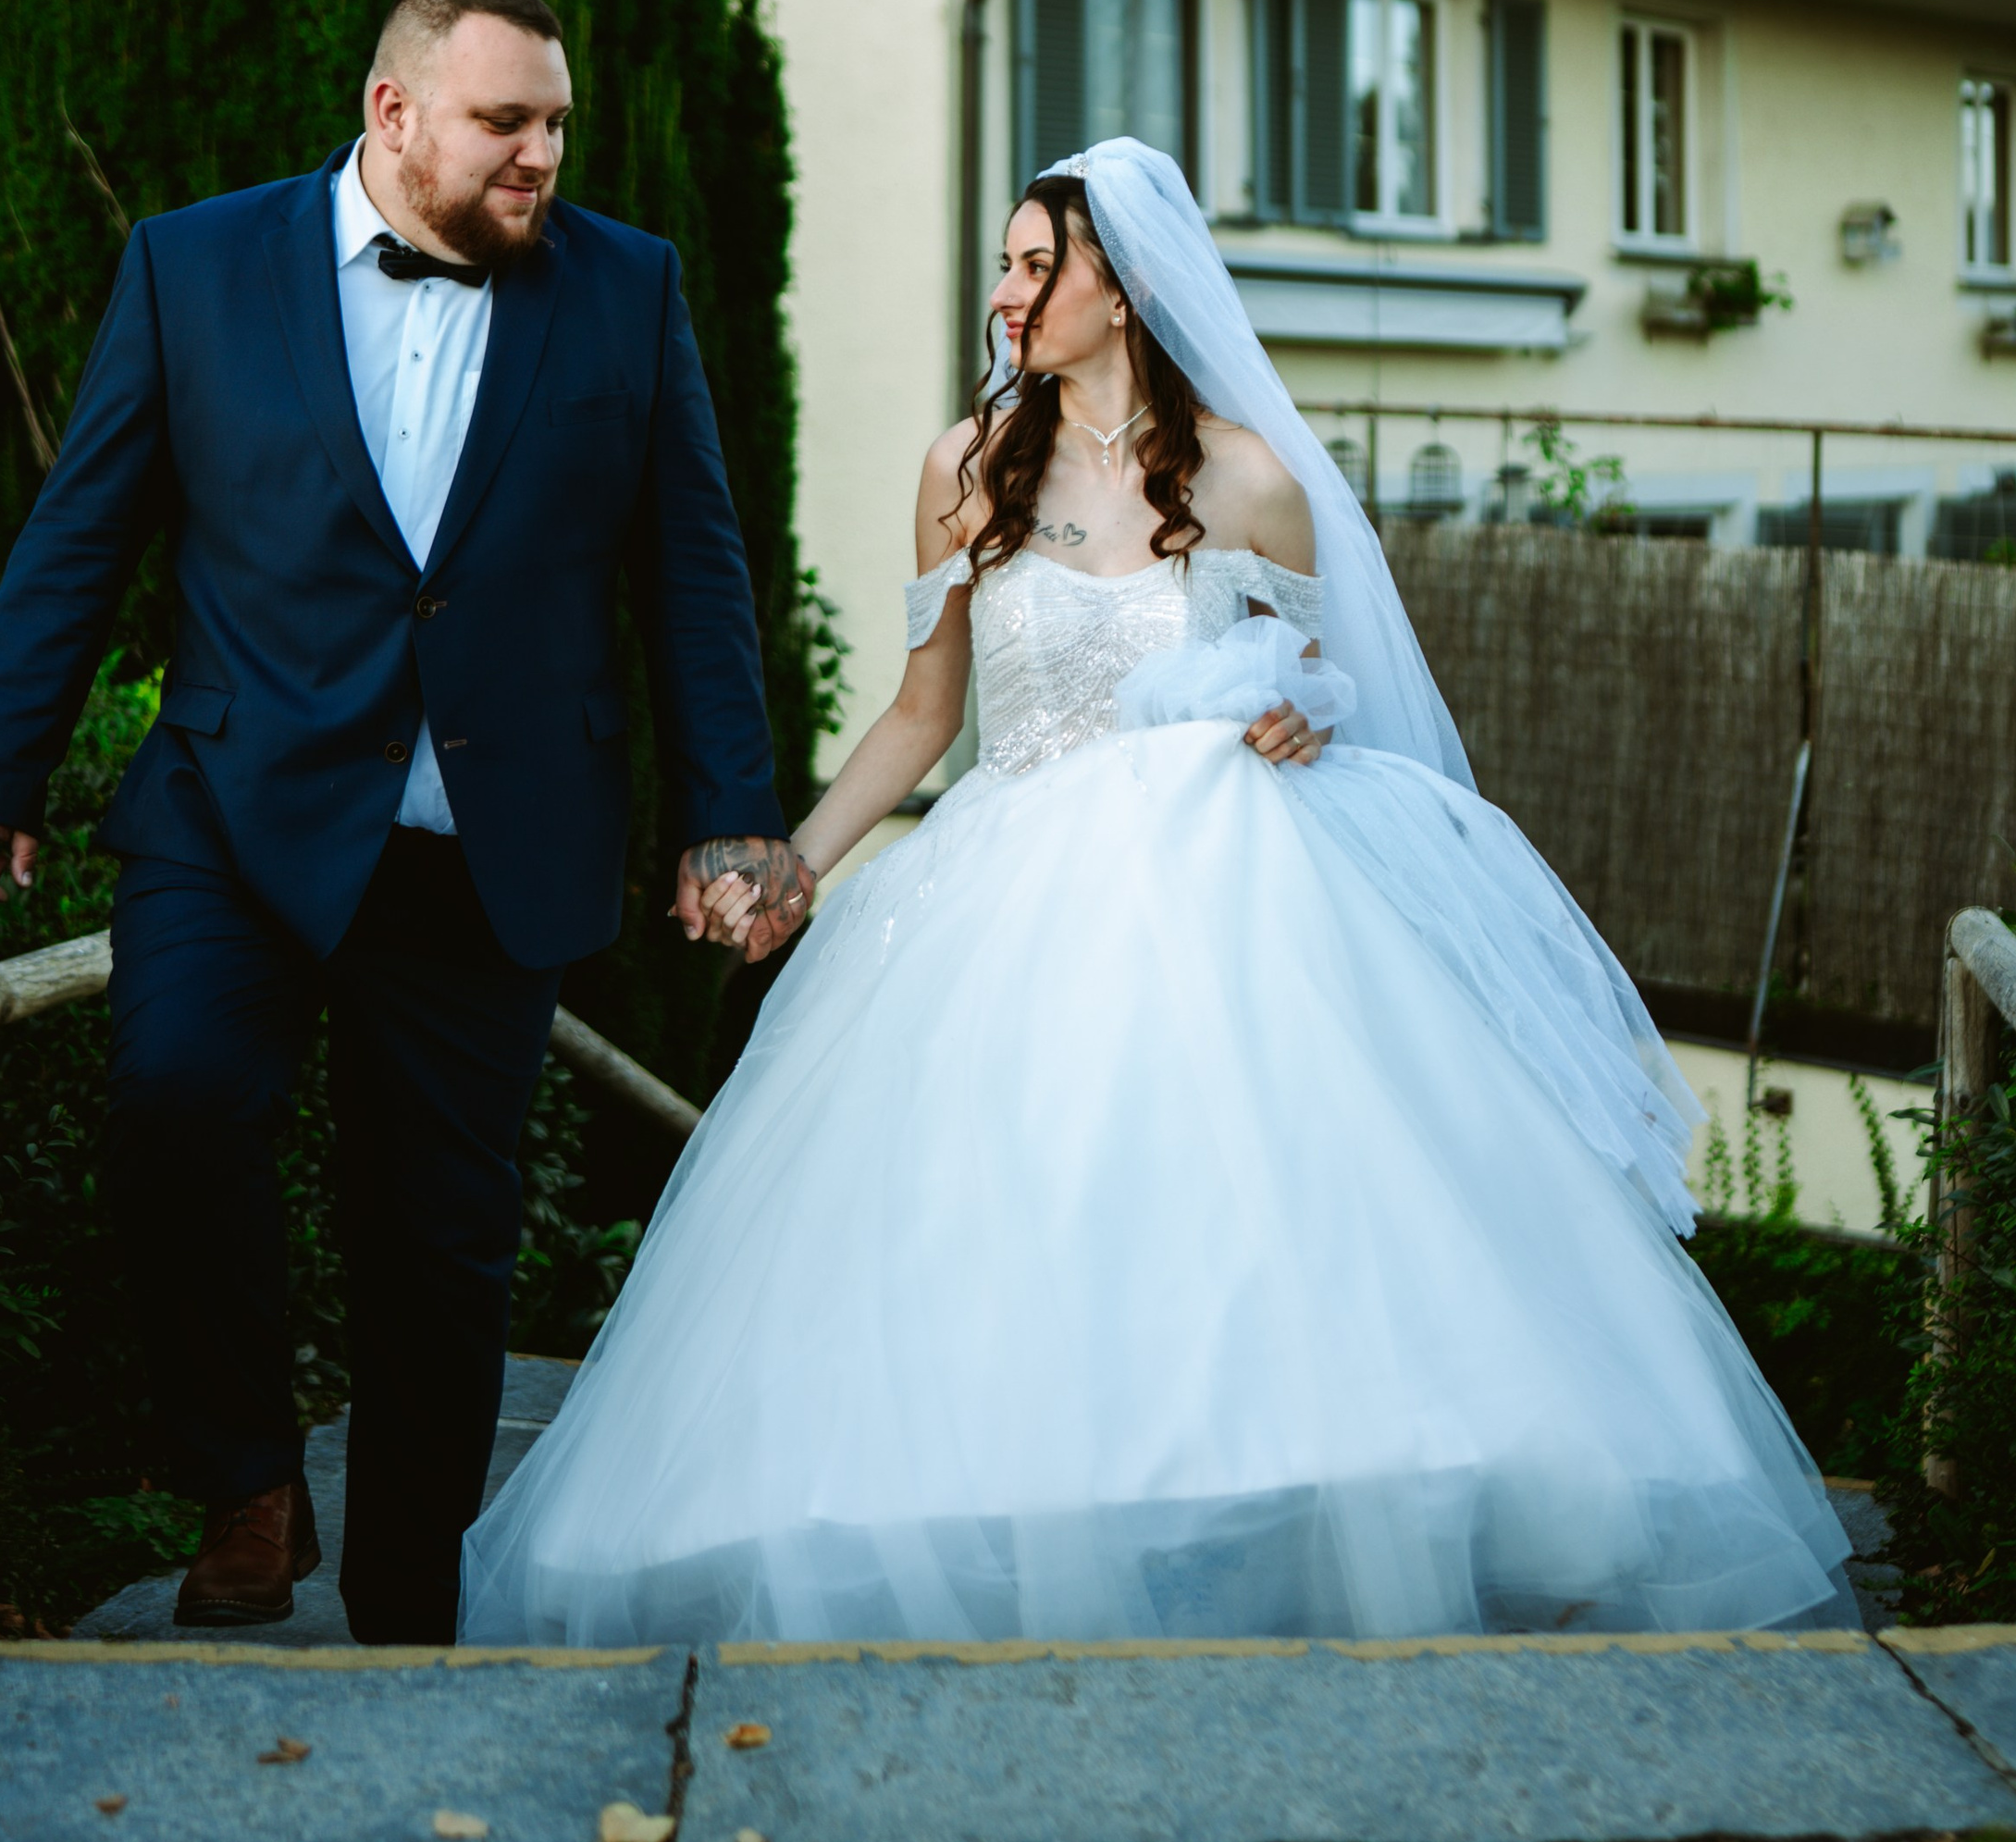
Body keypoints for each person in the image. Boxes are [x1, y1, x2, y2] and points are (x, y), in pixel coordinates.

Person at [459, 136, 1853, 1647]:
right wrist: (797, 856)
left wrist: (1298, 707)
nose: (1002, 294)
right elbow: (927, 714)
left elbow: (1324, 681)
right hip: (1009, 897)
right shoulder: (964, 468)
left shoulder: (1253, 479)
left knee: (1264, 1228)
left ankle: (1272, 1522)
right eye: (1001, 265)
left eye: (1031, 264)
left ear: (1117, 286)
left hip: (1231, 900)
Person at [0, 0, 797, 1642]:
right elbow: (84, 526)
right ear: (394, 114)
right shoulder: (196, 262)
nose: (542, 152)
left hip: (487, 847)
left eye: (556, 120)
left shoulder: (627, 291)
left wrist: (730, 814)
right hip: (232, 803)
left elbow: (693, 569)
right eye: (505, 121)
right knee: (175, 1099)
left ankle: (410, 1595)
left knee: (442, 1238)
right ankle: (247, 1476)